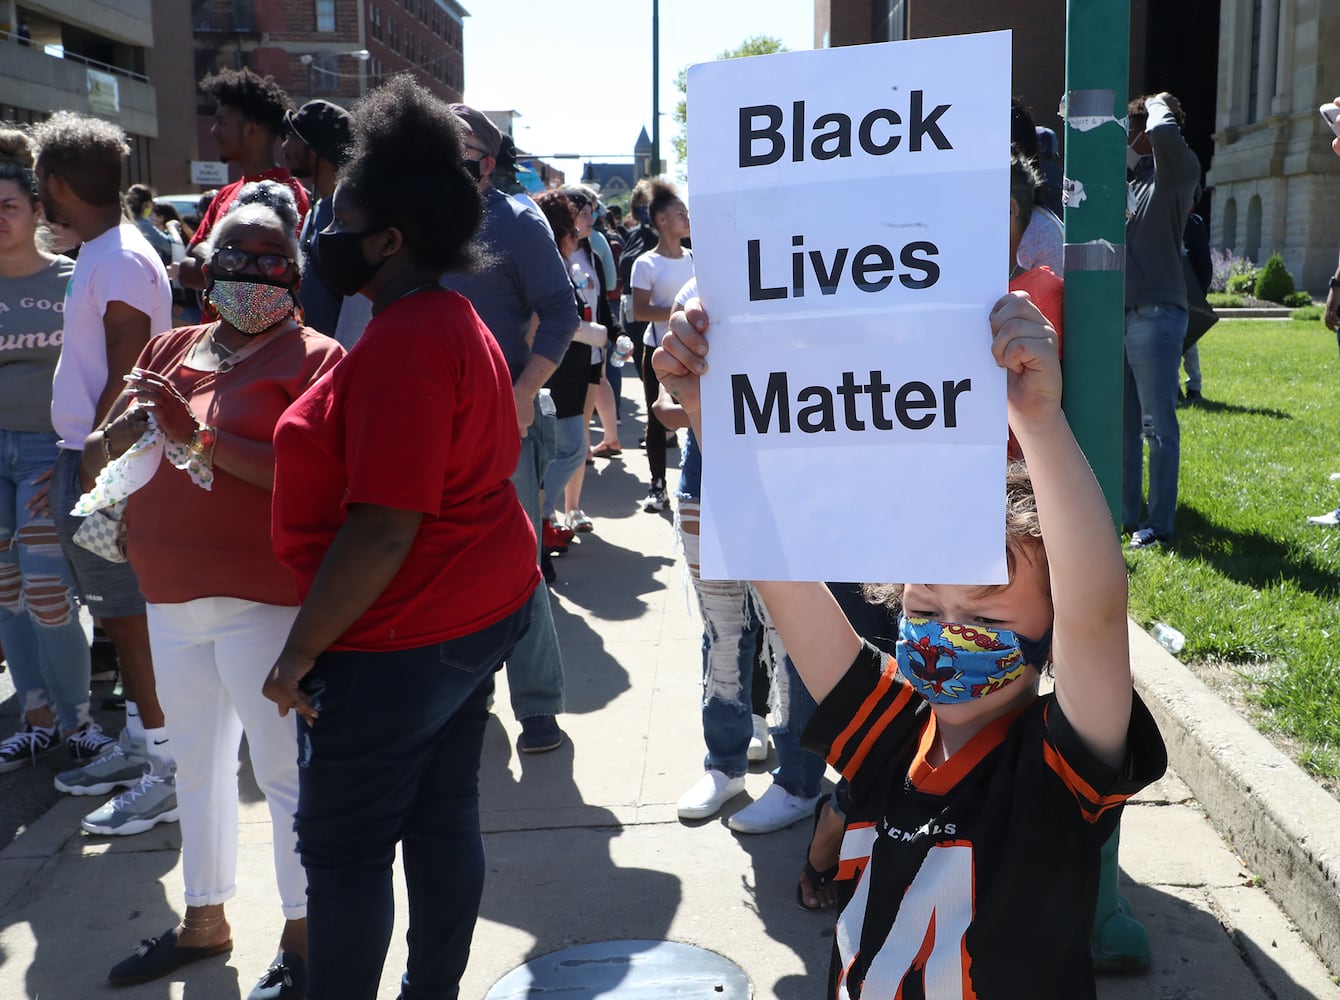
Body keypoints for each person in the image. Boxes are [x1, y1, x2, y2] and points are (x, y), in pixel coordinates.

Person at [655, 292, 1167, 998]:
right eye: (926, 605)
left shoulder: (1054, 767)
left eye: (984, 617)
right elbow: (786, 583)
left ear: (1051, 634)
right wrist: (709, 410)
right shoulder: (887, 731)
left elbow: (1099, 613)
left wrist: (1038, 421)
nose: (948, 630)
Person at [261, 76, 538, 1000]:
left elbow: (383, 527)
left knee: (342, 850)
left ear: (390, 238)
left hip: (404, 629)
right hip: (468, 607)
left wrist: (298, 656)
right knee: (440, 811)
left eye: (339, 214)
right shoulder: (442, 317)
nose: (321, 232)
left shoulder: (408, 343)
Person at [86, 181, 343, 997]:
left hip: (265, 601)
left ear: (299, 273)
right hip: (169, 594)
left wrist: (196, 434)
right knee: (196, 768)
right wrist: (121, 432)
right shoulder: (170, 349)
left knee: (283, 778)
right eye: (239, 253)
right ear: (206, 262)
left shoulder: (316, 358)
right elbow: (101, 457)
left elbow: (314, 479)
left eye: (275, 257)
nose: (256, 270)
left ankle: (305, 939)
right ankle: (205, 918)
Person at [31, 112, 178, 832]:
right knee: (118, 616)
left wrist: (94, 460)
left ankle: (164, 764)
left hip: (109, 468)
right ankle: (141, 743)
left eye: (38, 185)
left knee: (126, 615)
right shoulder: (105, 249)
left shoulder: (117, 258)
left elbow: (128, 370)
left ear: (55, 183)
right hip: (91, 460)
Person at [655, 276, 825, 833]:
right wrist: (696, 397)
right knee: (723, 629)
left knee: (791, 630)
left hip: (789, 483)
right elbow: (663, 405)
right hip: (708, 484)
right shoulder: (694, 292)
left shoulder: (807, 281)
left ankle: (798, 777)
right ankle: (725, 763)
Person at [440, 103, 577, 754]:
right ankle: (464, 695)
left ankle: (540, 705)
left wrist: (525, 392)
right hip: (430, 426)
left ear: (486, 164)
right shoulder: (413, 219)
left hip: (504, 424)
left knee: (516, 565)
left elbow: (561, 312)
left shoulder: (519, 221)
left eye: (456, 148)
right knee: (441, 564)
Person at [0, 128, 108, 773]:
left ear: (37, 210)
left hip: (50, 451)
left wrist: (77, 456)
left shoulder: (74, 280)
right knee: (7, 592)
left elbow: (104, 374)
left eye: (7, 207)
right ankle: (36, 719)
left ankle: (79, 724)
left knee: (47, 592)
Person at [1123, 92, 1200, 549]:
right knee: (1126, 427)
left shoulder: (1177, 171)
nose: (1131, 138)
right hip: (1125, 314)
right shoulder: (1138, 180)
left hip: (1157, 314)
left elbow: (1166, 134)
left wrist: (1158, 105)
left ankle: (1159, 524)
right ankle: (1128, 517)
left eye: (1136, 129)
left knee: (1157, 427)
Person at [178, 67, 308, 293]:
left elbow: (272, 280)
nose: (213, 131)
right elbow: (186, 268)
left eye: (222, 121)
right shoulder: (224, 194)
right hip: (212, 329)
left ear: (250, 129)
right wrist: (223, 262)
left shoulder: (290, 197)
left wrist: (210, 256)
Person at [531, 190, 594, 555]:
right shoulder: (549, 266)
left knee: (563, 450)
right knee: (569, 450)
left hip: (566, 374)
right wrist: (593, 332)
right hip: (555, 376)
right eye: (571, 231)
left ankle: (542, 517)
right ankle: (538, 515)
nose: (577, 237)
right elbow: (556, 320)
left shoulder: (556, 264)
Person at [282, 98, 372, 348]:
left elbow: (358, 304)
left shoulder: (351, 220)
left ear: (314, 148)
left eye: (292, 136)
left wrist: (341, 369)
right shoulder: (317, 212)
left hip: (333, 364)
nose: (284, 145)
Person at [630, 179, 693, 512]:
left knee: (694, 415)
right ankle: (658, 486)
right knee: (658, 419)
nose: (687, 219)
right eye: (680, 214)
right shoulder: (646, 263)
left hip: (694, 350)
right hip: (658, 351)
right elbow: (639, 310)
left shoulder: (695, 258)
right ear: (662, 221)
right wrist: (678, 313)